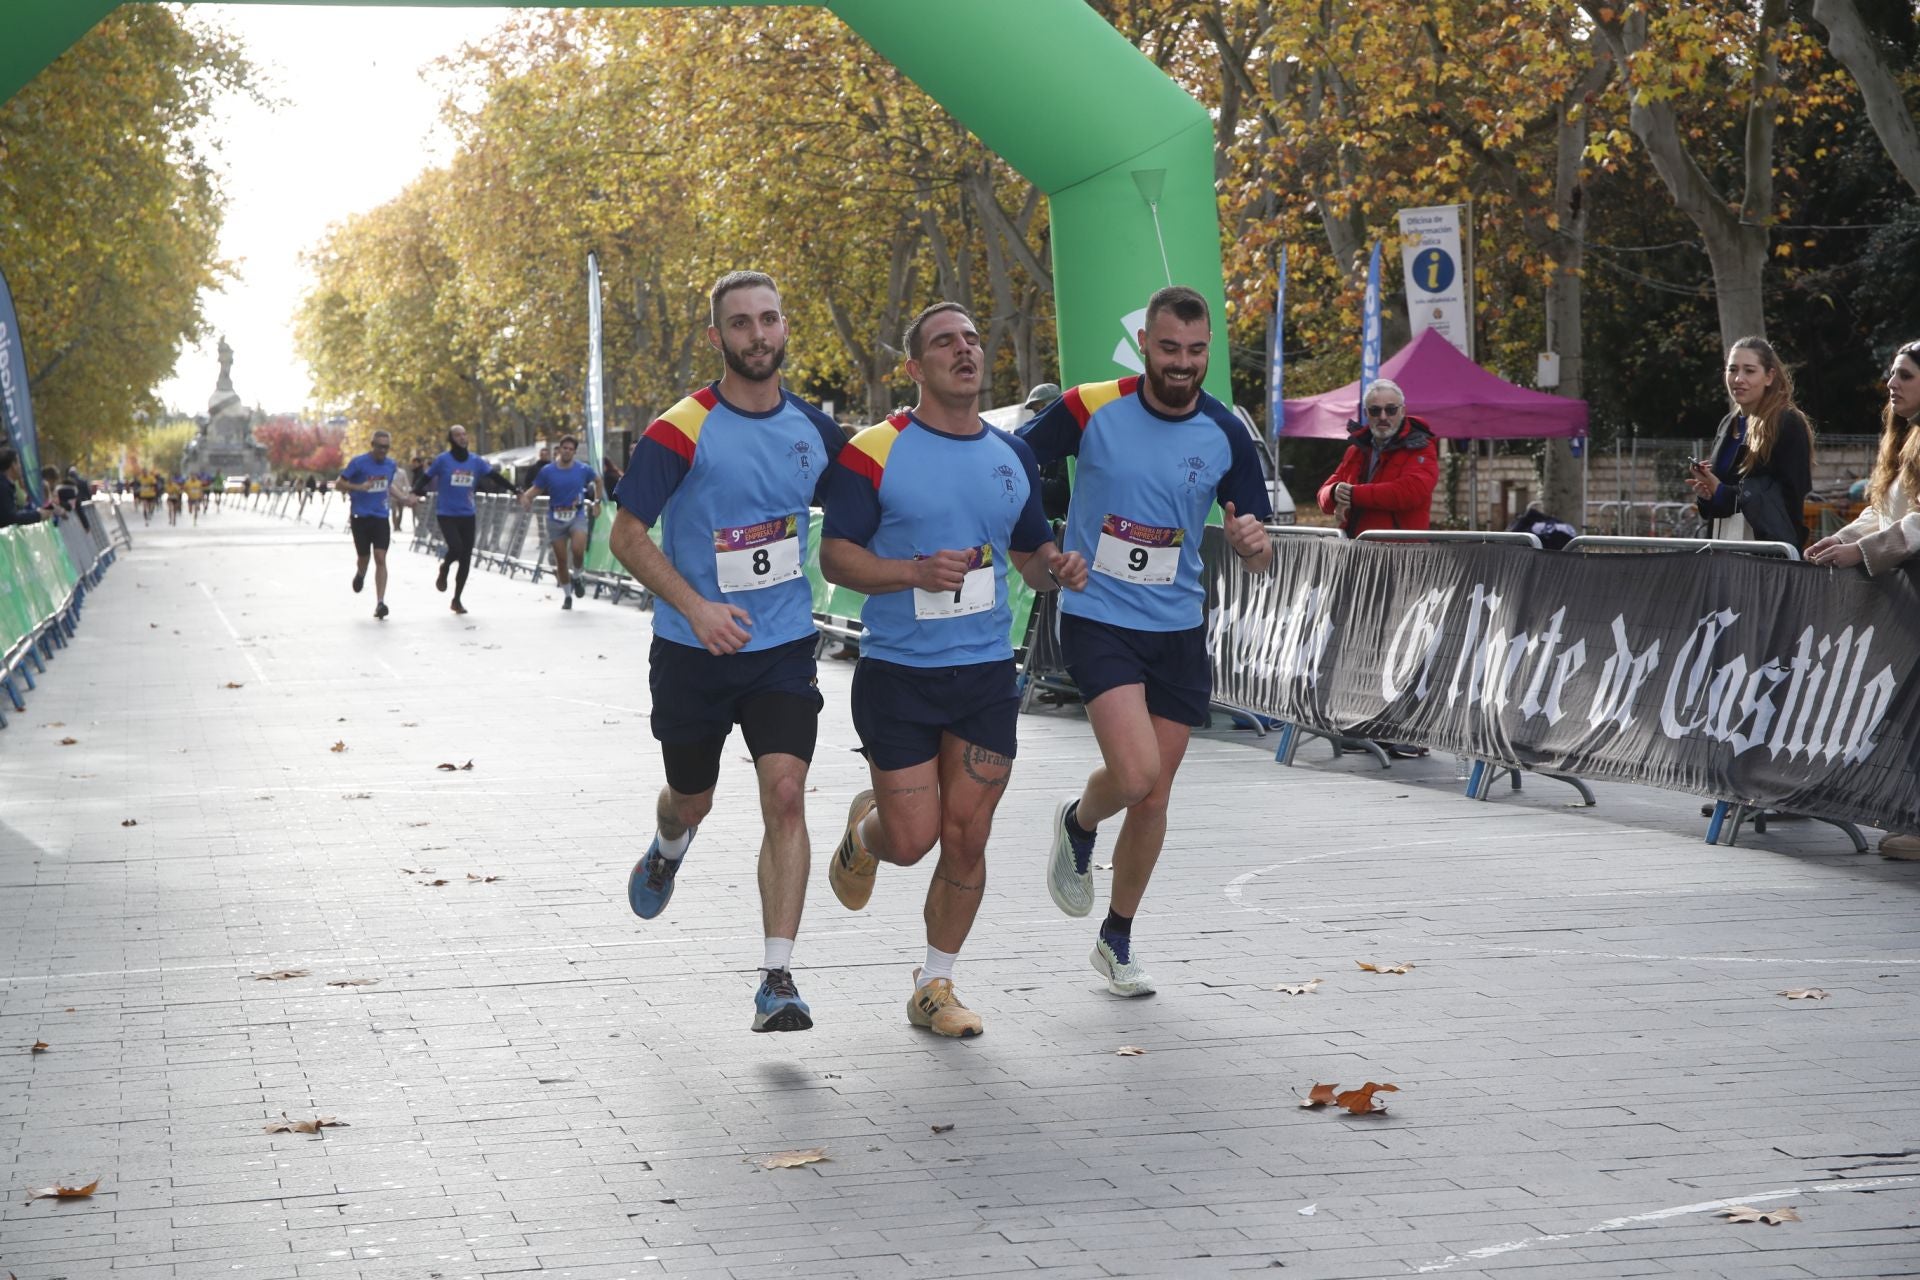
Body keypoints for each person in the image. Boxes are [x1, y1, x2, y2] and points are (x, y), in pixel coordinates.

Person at [822, 301, 1084, 1038]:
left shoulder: (1012, 457)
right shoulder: (874, 450)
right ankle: (867, 832)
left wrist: (1057, 566)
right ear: (915, 368)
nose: (964, 350)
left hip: (983, 677)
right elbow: (835, 555)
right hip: (898, 674)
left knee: (967, 837)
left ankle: (935, 984)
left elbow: (1030, 560)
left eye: (972, 338)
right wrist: (911, 571)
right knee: (912, 841)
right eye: (945, 342)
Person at [1019, 284, 1273, 997]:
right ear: (1145, 347)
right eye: (1169, 348)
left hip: (1177, 627)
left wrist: (1255, 543)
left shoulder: (1224, 432)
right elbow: (1008, 467)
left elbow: (1256, 542)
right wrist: (1042, 545)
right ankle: (1078, 820)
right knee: (1134, 778)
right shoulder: (1090, 406)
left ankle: (1117, 938)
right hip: (1099, 616)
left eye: (1196, 351)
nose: (1183, 363)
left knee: (1156, 799)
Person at [609, 269, 845, 1033]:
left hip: (780, 648)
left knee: (784, 796)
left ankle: (777, 977)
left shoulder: (814, 429)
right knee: (694, 798)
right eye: (740, 324)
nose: (757, 336)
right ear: (717, 339)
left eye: (769, 320)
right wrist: (698, 607)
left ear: (785, 328)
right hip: (692, 651)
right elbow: (625, 536)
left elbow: (878, 499)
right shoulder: (680, 428)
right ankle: (668, 844)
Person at [1806, 338, 1920, 858]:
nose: (1892, 384)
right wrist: (1844, 539)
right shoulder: (1902, 437)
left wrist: (1866, 553)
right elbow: (1883, 510)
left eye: (1905, 375)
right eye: (1893, 374)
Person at [1685, 336, 1814, 548]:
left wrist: (1724, 493)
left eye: (1749, 371)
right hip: (1722, 549)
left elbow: (1789, 498)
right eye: (1732, 369)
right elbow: (1721, 502)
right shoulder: (1727, 423)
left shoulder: (1788, 423)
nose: (1738, 379)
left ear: (1769, 377)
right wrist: (1707, 493)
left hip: (1767, 554)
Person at [1315, 377, 1440, 535]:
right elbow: (1322, 496)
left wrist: (1352, 494)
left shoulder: (1421, 448)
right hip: (1355, 551)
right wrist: (1334, 492)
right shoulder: (1355, 451)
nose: (1383, 416)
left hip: (1402, 554)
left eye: (1390, 409)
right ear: (1366, 413)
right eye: (1375, 410)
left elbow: (1409, 493)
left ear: (1402, 411)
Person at [520, 434, 599, 609]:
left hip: (576, 516)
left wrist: (597, 502)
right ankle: (568, 595)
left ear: (574, 452)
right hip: (555, 519)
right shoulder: (548, 471)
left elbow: (598, 480)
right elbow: (536, 489)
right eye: (565, 448)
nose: (568, 452)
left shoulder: (583, 469)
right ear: (559, 449)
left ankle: (577, 575)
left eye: (571, 449)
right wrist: (526, 497)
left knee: (578, 551)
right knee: (561, 560)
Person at [422, 425, 493, 615]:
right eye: (457, 435)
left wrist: (515, 490)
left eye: (464, 434)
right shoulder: (443, 460)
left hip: (467, 514)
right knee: (456, 548)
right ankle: (444, 568)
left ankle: (457, 599)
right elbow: (425, 477)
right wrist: (413, 493)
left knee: (466, 558)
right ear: (451, 439)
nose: (462, 437)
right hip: (446, 513)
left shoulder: (475, 461)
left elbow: (493, 476)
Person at [336, 429, 399, 620]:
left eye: (386, 447)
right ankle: (361, 573)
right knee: (364, 557)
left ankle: (380, 603)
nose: (383, 451)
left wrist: (404, 497)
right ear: (372, 445)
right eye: (379, 447)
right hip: (360, 517)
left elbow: (388, 486)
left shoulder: (391, 465)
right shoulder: (359, 463)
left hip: (381, 517)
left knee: (380, 557)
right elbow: (339, 484)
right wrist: (359, 487)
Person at [0, 447, 43, 525]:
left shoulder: (7, 485)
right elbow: (10, 518)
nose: (21, 466)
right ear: (13, 465)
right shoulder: (3, 487)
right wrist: (38, 515)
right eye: (19, 462)